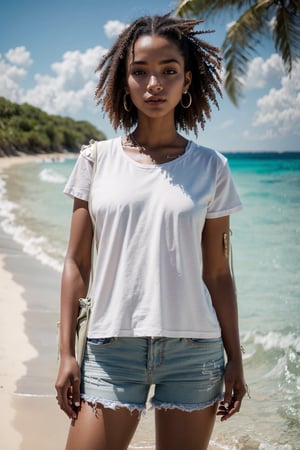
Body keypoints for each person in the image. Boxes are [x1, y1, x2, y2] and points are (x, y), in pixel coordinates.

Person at [55, 11, 246, 450]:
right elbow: (76, 261)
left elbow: (217, 273)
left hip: (194, 351)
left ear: (188, 81)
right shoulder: (95, 159)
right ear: (124, 81)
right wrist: (66, 353)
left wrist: (235, 359)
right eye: (140, 72)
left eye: (168, 71)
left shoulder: (212, 166)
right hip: (110, 348)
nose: (154, 84)